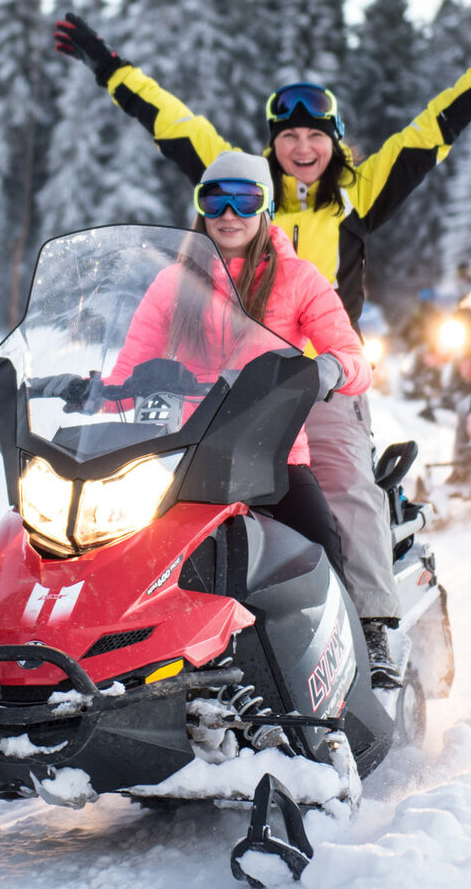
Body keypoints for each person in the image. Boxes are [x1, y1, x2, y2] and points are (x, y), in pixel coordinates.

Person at [54, 12, 471, 686]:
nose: (300, 145)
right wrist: (105, 62)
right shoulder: (239, 189)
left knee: (346, 481)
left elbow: (433, 131)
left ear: (334, 142)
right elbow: (167, 119)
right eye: (288, 134)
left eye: (315, 134)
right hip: (219, 386)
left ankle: (372, 626)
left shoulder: (355, 198)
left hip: (316, 382)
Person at [100, 150, 371, 596]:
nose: (229, 214)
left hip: (271, 455)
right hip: (181, 455)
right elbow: (127, 376)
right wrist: (89, 388)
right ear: (200, 208)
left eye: (245, 200)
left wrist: (330, 368)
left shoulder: (299, 279)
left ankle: (354, 645)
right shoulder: (173, 282)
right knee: (117, 550)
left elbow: (354, 358)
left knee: (320, 551)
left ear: (264, 208)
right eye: (215, 200)